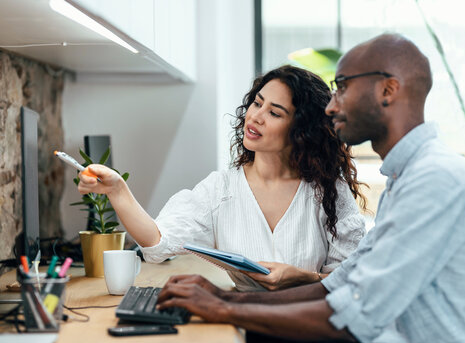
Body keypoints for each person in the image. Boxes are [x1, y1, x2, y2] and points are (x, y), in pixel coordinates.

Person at [155, 33, 465, 343]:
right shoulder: (409, 178)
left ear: (387, 91)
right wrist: (224, 297)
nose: (330, 107)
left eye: (341, 88)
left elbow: (353, 313)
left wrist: (225, 309)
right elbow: (339, 286)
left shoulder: (435, 181)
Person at [78, 65, 368, 292]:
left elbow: (353, 279)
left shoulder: (327, 191)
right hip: (256, 322)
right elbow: (157, 242)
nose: (256, 117)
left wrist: (305, 278)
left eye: (274, 113)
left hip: (316, 319)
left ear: (301, 131)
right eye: (257, 103)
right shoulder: (221, 189)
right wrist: (118, 190)